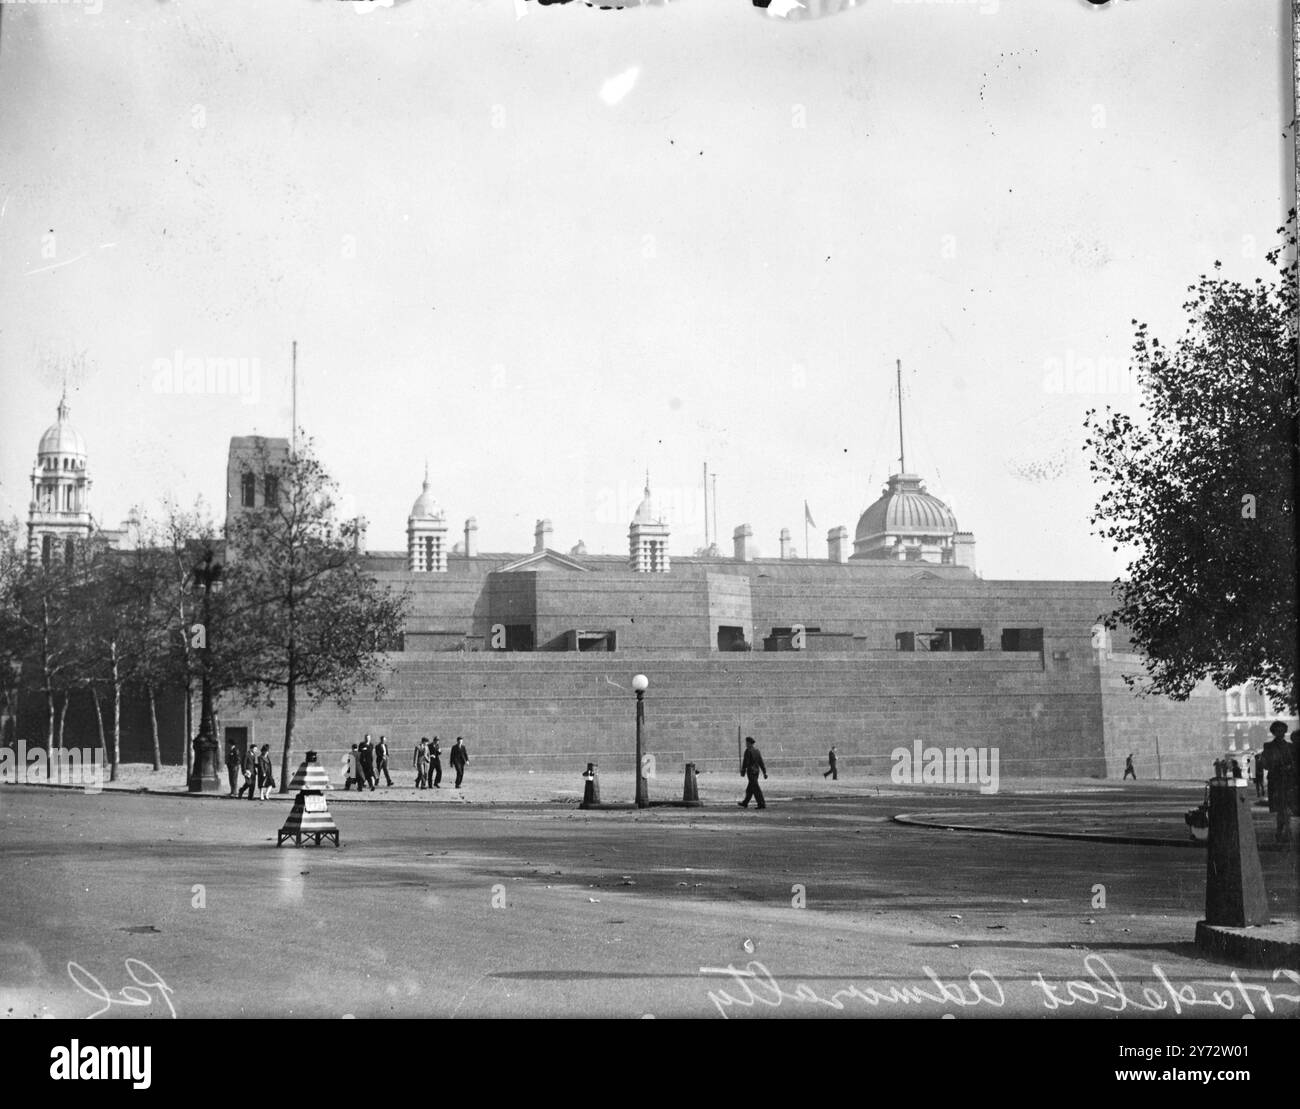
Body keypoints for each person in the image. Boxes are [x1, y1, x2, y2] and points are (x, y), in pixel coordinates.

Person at [1259, 721, 1297, 843]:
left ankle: (1284, 830)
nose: (1280, 733)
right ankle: (1283, 830)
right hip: (1276, 780)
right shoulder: (1268, 746)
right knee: (1281, 807)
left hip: (1288, 780)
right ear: (1273, 732)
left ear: (1285, 731)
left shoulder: (1291, 747)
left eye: (1282, 730)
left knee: (1286, 807)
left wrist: (1290, 768)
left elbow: (1295, 763)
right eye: (1277, 731)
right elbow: (1265, 764)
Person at [738, 736, 767, 810]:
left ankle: (761, 804)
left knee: (755, 788)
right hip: (756, 772)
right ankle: (745, 802)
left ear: (750, 743)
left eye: (747, 743)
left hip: (751, 772)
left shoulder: (748, 751)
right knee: (750, 788)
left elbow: (745, 763)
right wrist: (764, 772)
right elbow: (761, 762)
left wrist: (743, 771)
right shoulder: (757, 751)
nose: (746, 744)